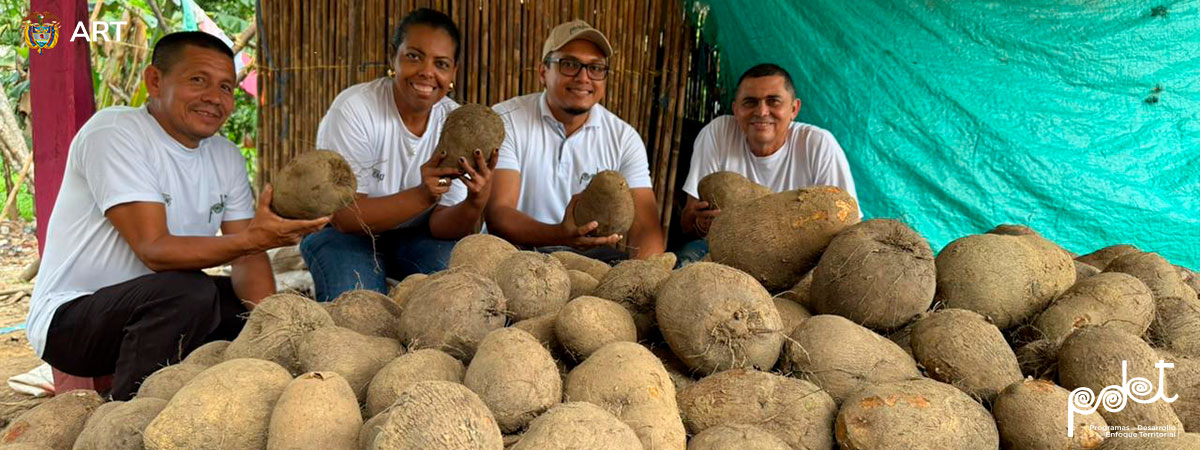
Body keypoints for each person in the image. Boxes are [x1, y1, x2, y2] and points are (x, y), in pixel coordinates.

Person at [27, 31, 328, 400]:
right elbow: (154, 250)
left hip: (161, 308)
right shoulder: (115, 132)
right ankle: (129, 411)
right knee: (191, 291)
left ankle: (212, 403)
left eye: (226, 87)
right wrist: (254, 239)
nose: (214, 98)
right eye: (198, 80)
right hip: (71, 321)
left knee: (245, 308)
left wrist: (274, 327)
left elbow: (247, 258)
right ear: (155, 81)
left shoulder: (226, 156)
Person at [301, 8, 498, 301]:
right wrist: (423, 196)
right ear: (393, 57)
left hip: (418, 236)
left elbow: (442, 226)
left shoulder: (458, 125)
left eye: (441, 64)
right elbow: (345, 217)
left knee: (461, 291)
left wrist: (475, 201)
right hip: (343, 236)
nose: (427, 72)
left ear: (453, 72)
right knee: (358, 304)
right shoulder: (356, 109)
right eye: (414, 56)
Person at [485, 20, 664, 262]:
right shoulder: (507, 119)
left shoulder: (624, 138)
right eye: (569, 64)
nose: (583, 77)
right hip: (515, 254)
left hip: (590, 262)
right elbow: (499, 214)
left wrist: (646, 275)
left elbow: (646, 227)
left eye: (596, 68)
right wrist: (560, 235)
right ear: (543, 72)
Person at [677, 63, 858, 265]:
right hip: (725, 254)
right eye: (750, 102)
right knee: (687, 258)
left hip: (798, 259)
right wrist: (701, 223)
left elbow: (849, 223)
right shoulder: (717, 134)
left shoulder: (818, 144)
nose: (762, 111)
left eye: (773, 101)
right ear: (736, 109)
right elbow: (687, 224)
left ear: (794, 109)